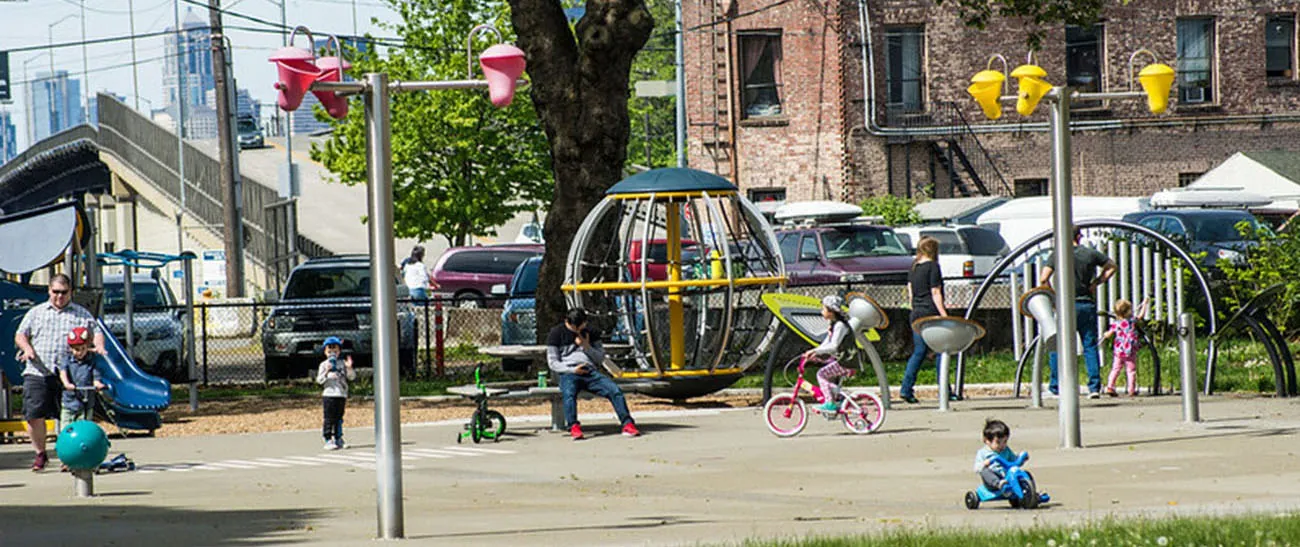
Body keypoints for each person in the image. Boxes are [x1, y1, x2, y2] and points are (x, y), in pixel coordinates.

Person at [14, 274, 103, 472]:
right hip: (38, 369)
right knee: (34, 414)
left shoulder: (80, 313)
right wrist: (27, 349)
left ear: (70, 292)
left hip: (69, 373)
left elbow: (96, 332)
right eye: (55, 292)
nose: (59, 297)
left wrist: (99, 346)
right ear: (49, 291)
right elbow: (20, 334)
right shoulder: (36, 312)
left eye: (64, 292)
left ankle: (67, 453)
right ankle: (40, 454)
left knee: (68, 415)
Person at [1039, 229, 1118, 399]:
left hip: (1065, 305)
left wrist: (1053, 296)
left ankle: (1055, 387)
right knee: (1089, 346)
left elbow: (1043, 279)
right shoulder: (1089, 254)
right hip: (1086, 303)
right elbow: (1112, 266)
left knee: (1058, 346)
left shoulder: (1057, 255)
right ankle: (1094, 387)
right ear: (1079, 236)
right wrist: (1096, 282)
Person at [546, 308, 639, 440]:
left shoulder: (591, 332)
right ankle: (573, 426)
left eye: (582, 326)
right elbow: (553, 362)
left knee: (614, 390)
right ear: (568, 322)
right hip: (569, 372)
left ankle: (627, 423)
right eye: (575, 327)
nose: (579, 330)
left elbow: (600, 358)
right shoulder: (556, 333)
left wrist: (586, 347)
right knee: (569, 393)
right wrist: (572, 370)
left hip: (590, 371)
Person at [900, 236, 949, 404]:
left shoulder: (914, 268)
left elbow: (911, 292)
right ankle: (944, 389)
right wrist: (943, 314)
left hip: (916, 313)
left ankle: (906, 388)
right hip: (930, 312)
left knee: (919, 352)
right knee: (942, 350)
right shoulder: (933, 267)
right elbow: (936, 292)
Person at [803, 295, 855, 412]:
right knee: (825, 375)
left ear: (831, 311)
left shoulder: (840, 326)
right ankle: (839, 396)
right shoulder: (833, 326)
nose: (822, 311)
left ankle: (829, 403)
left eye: (824, 309)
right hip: (843, 359)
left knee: (821, 374)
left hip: (847, 361)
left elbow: (833, 346)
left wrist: (815, 351)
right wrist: (813, 353)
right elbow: (825, 344)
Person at [1102, 299, 1147, 397]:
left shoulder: (1116, 323)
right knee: (1131, 370)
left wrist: (1105, 334)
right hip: (1130, 350)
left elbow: (1108, 334)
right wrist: (1145, 305)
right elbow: (1141, 316)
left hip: (1119, 351)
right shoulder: (1131, 321)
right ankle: (1131, 389)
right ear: (1127, 311)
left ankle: (1110, 386)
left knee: (1115, 368)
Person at [316, 336, 356, 450]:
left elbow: (351, 377)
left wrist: (349, 368)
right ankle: (328, 439)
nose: (332, 354)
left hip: (341, 394)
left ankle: (339, 438)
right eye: (329, 352)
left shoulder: (342, 364)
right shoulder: (323, 365)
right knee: (329, 418)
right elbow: (319, 381)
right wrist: (327, 371)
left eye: (335, 351)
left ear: (339, 352)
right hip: (329, 395)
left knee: (339, 417)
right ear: (325, 352)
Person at [973, 418, 1019, 492]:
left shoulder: (1006, 450)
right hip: (992, 482)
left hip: (1006, 477)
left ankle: (1028, 489)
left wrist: (1020, 459)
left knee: (1017, 471)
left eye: (1005, 441)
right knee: (985, 471)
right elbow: (976, 468)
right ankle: (999, 483)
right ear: (987, 441)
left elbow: (1013, 460)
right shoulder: (983, 453)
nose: (1002, 445)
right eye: (998, 442)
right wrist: (984, 464)